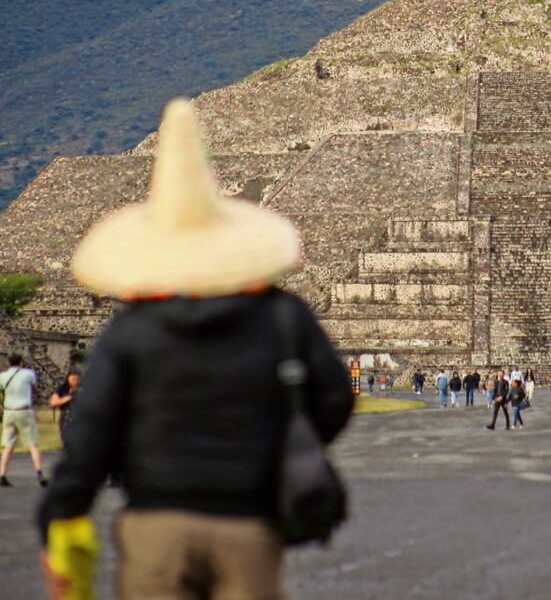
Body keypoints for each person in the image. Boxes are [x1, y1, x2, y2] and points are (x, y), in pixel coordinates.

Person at [36, 99, 354, 599]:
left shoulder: (133, 330)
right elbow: (335, 398)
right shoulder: (280, 317)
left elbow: (92, 431)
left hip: (156, 523)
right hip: (249, 521)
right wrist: (280, 444)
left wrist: (62, 513)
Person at [1, 353, 47, 487]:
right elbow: (34, 388)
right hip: (24, 410)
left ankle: (2, 474)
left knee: (8, 446)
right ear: (21, 362)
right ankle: (39, 473)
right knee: (33, 444)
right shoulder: (28, 374)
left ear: (8, 363)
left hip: (9, 411)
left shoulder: (3, 376)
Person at [49, 370, 82, 450]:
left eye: (77, 379)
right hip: (66, 417)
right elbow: (53, 402)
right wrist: (68, 397)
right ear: (68, 379)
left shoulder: (84, 388)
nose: (75, 382)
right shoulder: (62, 389)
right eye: (73, 379)